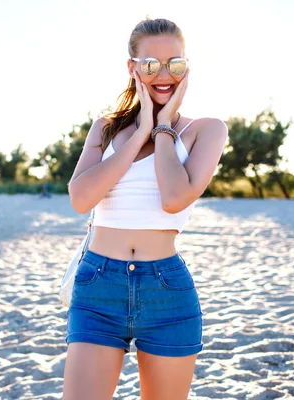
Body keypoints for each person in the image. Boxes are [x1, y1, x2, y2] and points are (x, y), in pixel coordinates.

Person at [63, 17, 228, 400]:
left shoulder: (207, 130)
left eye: (176, 63)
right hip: (98, 285)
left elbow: (173, 198)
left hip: (166, 291)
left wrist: (164, 127)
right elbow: (80, 198)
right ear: (133, 68)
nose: (164, 75)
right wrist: (138, 133)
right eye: (151, 65)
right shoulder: (105, 128)